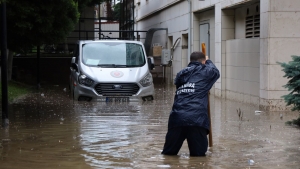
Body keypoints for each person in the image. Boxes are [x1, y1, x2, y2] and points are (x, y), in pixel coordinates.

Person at [161, 51, 220, 156]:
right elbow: (216, 72)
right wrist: (208, 60)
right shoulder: (206, 71)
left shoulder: (181, 73)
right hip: (196, 119)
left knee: (168, 155)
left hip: (177, 118)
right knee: (198, 158)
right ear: (203, 61)